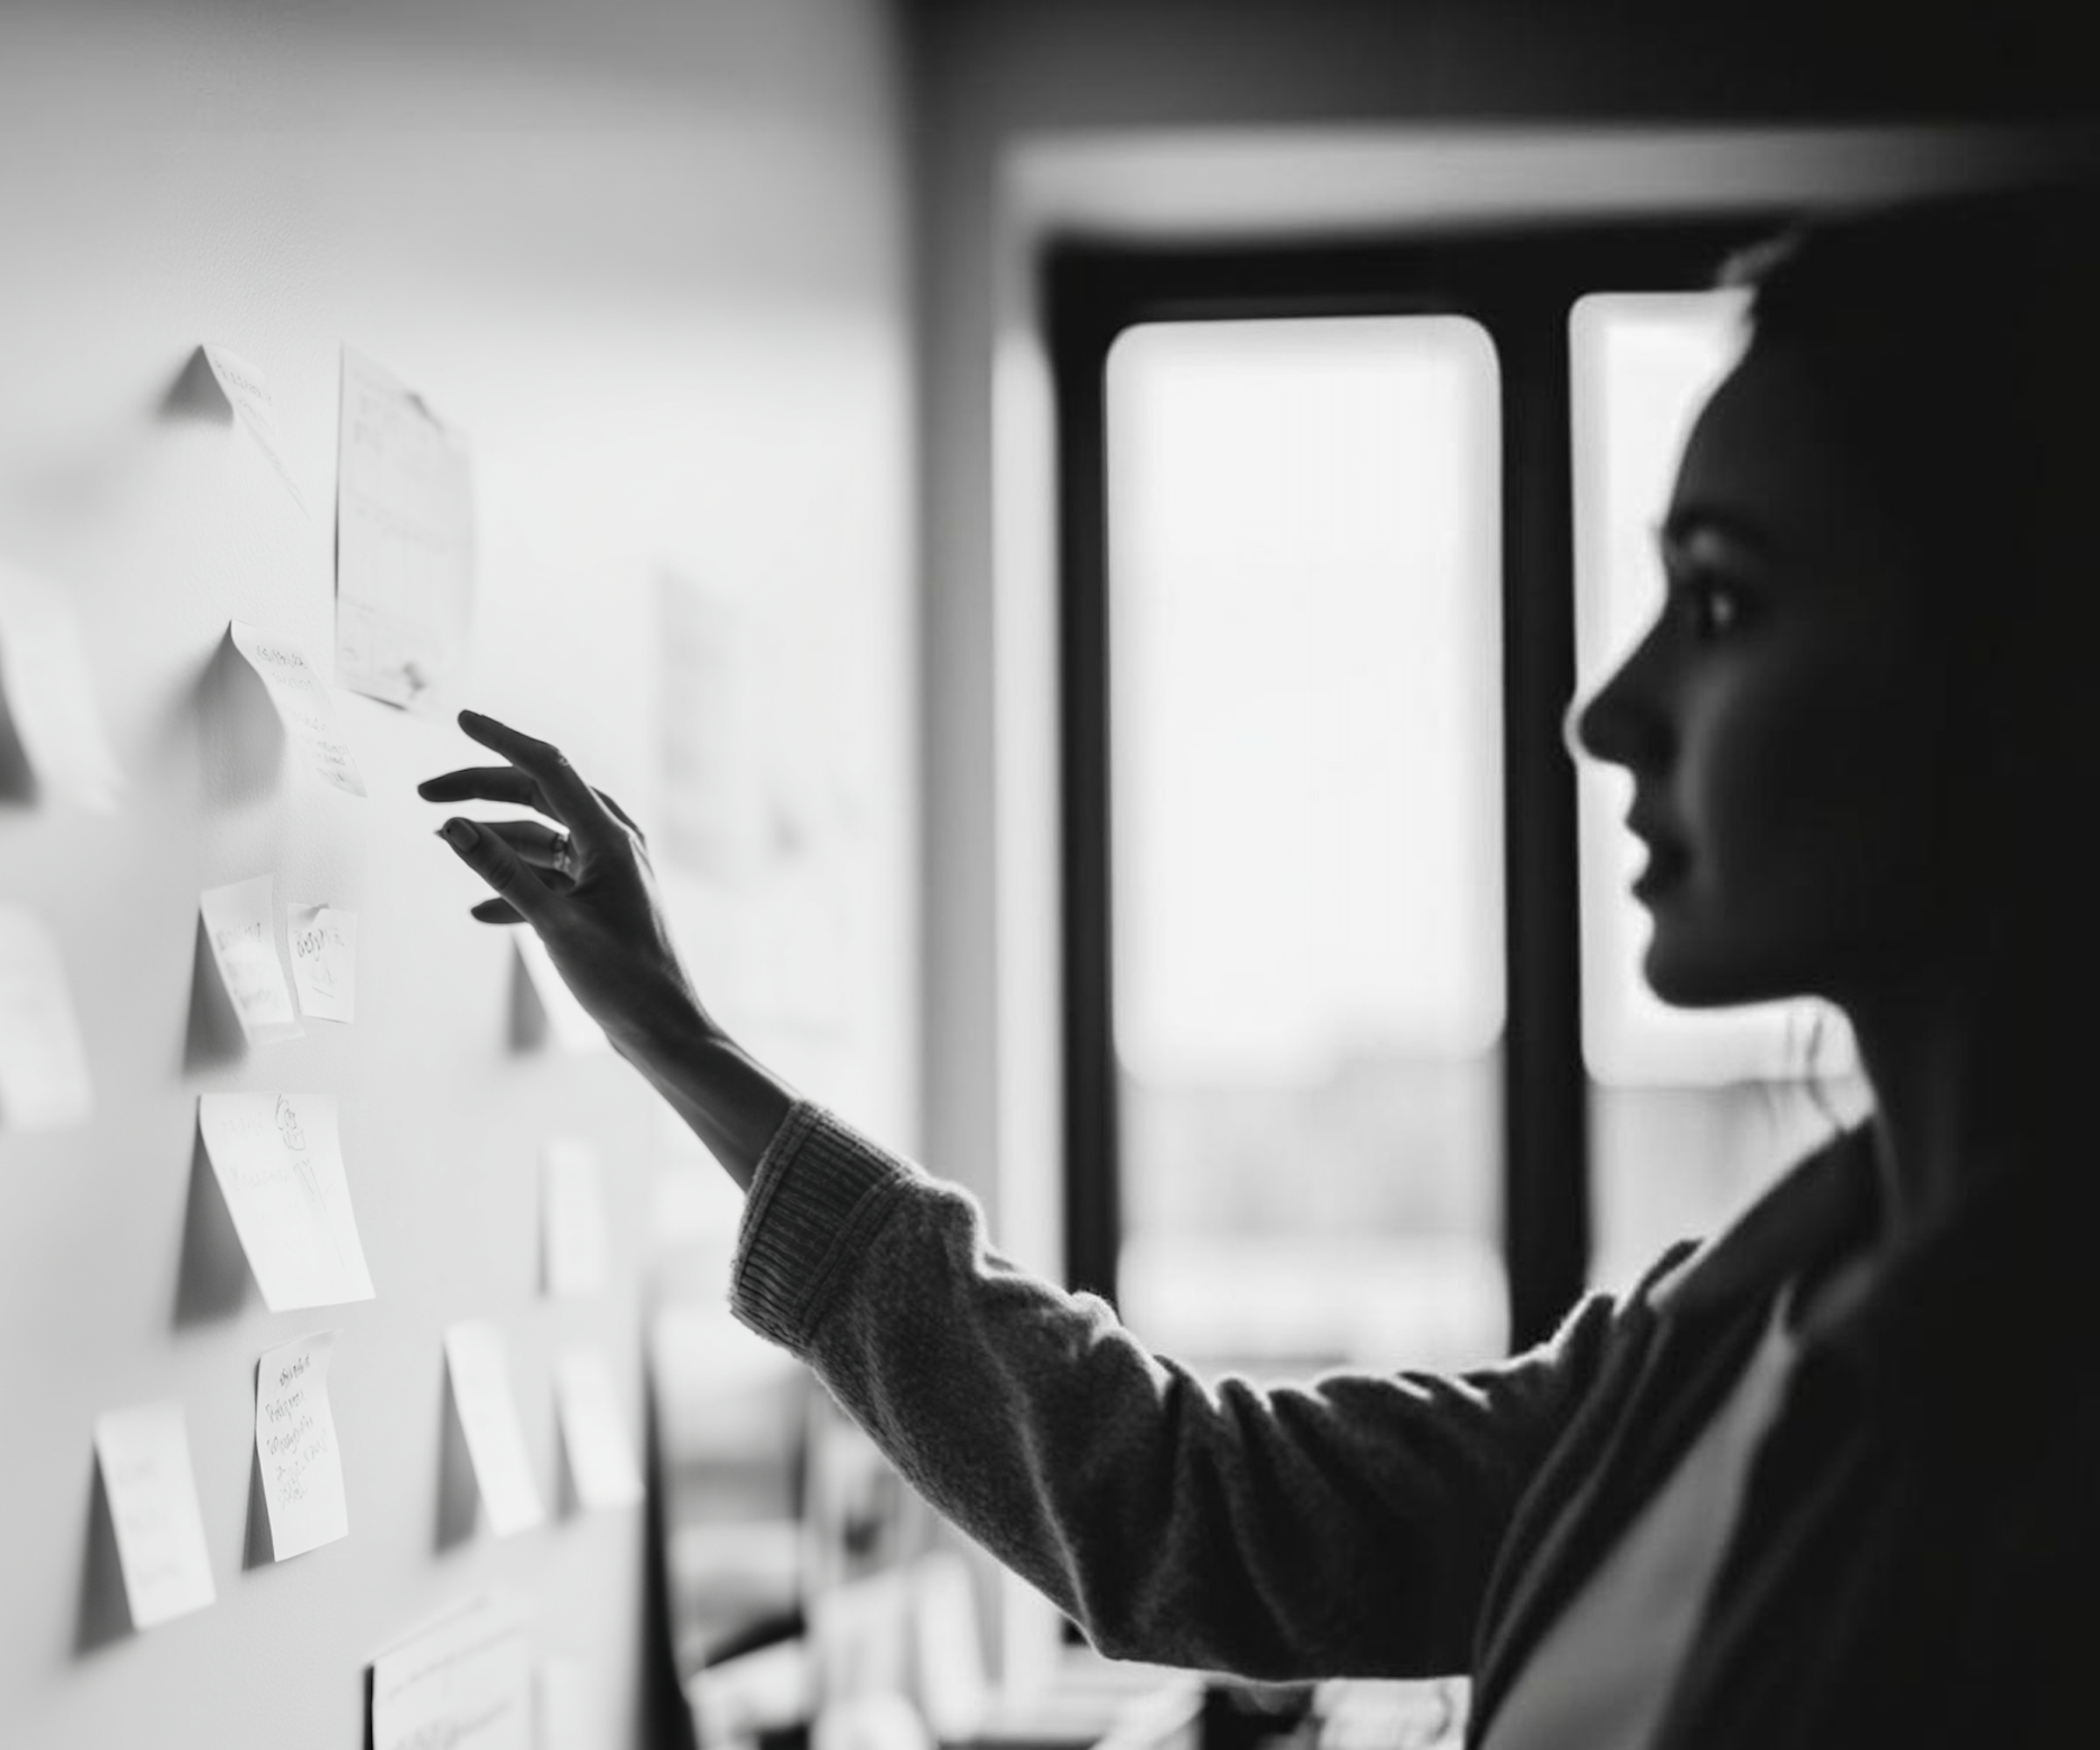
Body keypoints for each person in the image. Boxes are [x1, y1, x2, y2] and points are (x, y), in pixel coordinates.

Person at [420, 183, 2100, 1747]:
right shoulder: (1731, 1327)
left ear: (2025, 681)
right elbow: (1194, 1509)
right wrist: (674, 1040)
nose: (1605, 711)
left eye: (1723, 603)